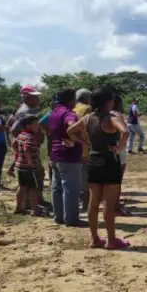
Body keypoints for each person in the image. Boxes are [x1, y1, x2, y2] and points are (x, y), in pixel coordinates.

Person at [66, 87, 130, 249]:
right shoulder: (111, 117)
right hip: (109, 161)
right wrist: (119, 148)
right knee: (109, 203)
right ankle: (111, 240)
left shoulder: (87, 118)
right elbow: (125, 132)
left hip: (93, 160)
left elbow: (70, 131)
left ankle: (94, 238)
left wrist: (84, 142)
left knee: (93, 201)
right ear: (108, 102)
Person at [48, 88, 85, 227]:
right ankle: (71, 219)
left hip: (55, 154)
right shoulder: (69, 113)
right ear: (71, 100)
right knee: (71, 188)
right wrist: (82, 141)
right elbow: (71, 125)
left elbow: (43, 125)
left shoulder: (54, 112)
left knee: (57, 187)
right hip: (69, 155)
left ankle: (58, 217)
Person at [8, 85, 47, 205]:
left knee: (33, 176)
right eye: (35, 97)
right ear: (27, 98)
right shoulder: (26, 111)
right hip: (28, 150)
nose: (38, 99)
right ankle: (34, 203)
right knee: (36, 175)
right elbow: (14, 130)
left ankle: (30, 202)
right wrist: (26, 143)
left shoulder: (25, 110)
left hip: (27, 149)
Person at [11, 115, 42, 216]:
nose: (38, 126)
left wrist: (19, 154)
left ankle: (19, 207)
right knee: (33, 189)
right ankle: (34, 210)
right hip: (29, 167)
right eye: (35, 124)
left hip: (20, 166)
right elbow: (26, 148)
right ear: (28, 125)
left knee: (22, 187)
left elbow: (13, 145)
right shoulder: (29, 137)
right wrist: (30, 163)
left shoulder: (21, 135)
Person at [112, 95, 132, 216]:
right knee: (117, 179)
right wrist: (120, 148)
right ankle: (116, 206)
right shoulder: (117, 115)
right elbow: (125, 132)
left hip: (109, 149)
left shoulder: (104, 114)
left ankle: (110, 204)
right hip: (119, 149)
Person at [74, 89, 92, 210]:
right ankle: (86, 205)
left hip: (74, 145)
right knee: (87, 179)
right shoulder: (87, 109)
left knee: (77, 177)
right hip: (85, 147)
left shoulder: (73, 108)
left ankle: (77, 203)